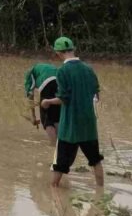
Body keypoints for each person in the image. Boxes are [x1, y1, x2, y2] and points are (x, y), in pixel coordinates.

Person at [42, 36, 103, 188]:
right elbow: (97, 95)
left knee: (60, 164)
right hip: (89, 125)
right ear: (73, 50)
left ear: (58, 53)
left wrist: (48, 102)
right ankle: (101, 192)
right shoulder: (88, 69)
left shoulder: (62, 71)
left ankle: (54, 194)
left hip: (70, 127)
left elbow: (63, 99)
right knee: (95, 160)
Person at [24, 61, 60, 145]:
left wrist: (33, 116)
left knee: (46, 118)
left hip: (46, 82)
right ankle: (60, 142)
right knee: (57, 115)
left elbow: (30, 95)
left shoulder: (30, 73)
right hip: (60, 81)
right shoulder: (47, 67)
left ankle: (53, 144)